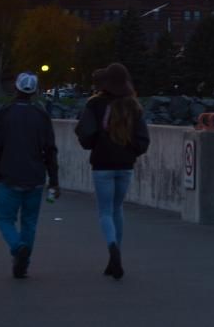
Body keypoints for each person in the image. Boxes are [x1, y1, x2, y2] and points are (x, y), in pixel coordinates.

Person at [75, 63, 150, 280]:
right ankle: (115, 255)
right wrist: (131, 152)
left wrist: (96, 143)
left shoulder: (95, 104)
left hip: (102, 164)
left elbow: (85, 134)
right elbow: (143, 140)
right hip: (125, 165)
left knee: (105, 212)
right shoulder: (134, 106)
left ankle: (112, 248)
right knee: (117, 209)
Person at [0, 71, 60, 279]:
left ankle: (17, 246)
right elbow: (50, 150)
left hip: (9, 175)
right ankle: (23, 264)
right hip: (35, 177)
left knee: (4, 219)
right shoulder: (42, 116)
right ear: (35, 91)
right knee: (29, 222)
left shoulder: (2, 114)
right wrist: (54, 181)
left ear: (16, 88)